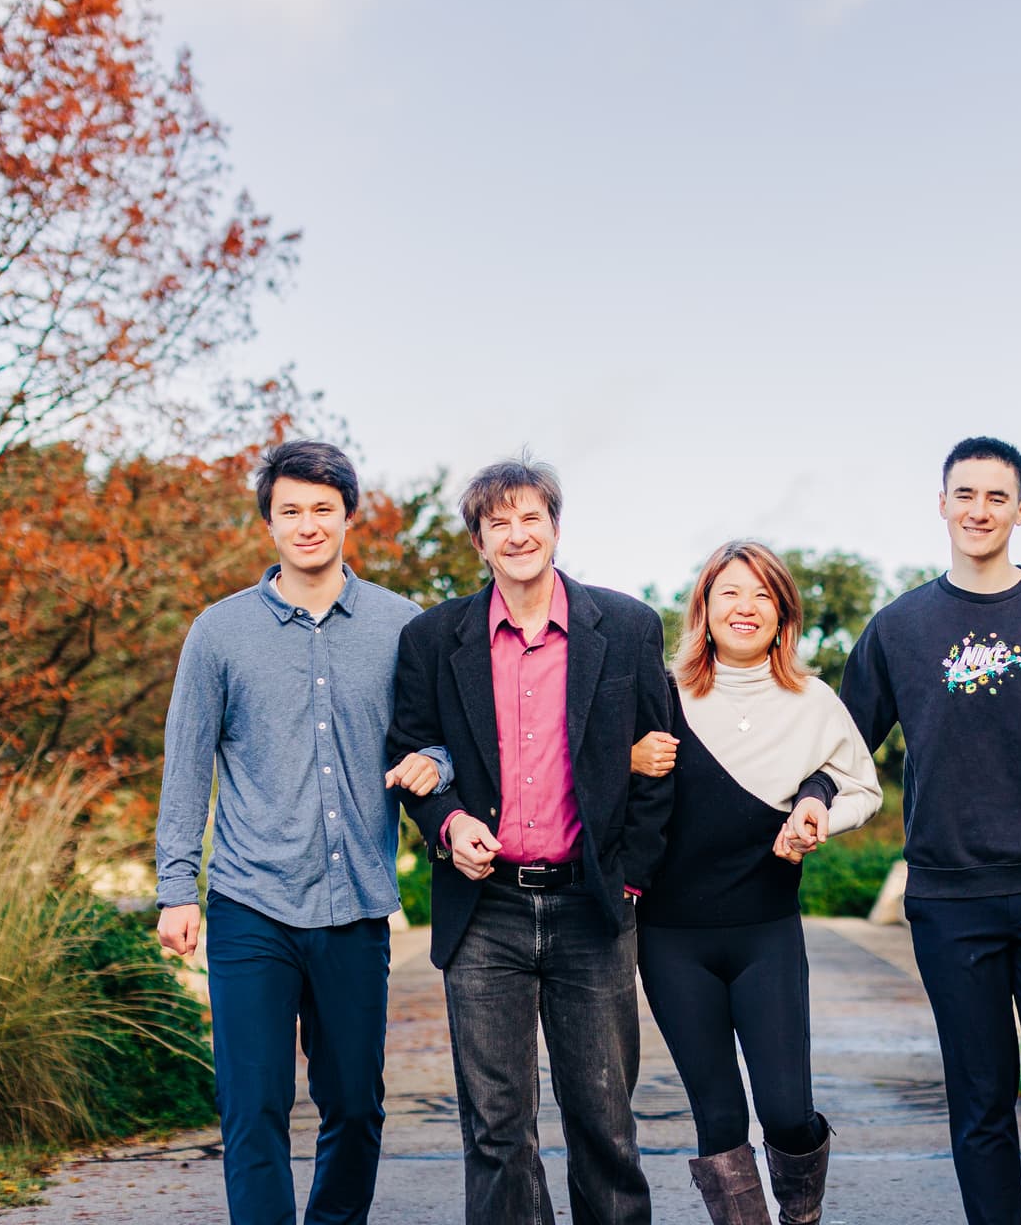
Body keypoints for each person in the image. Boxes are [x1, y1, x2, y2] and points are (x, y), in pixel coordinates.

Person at [837, 436, 1021, 1225]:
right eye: (964, 494)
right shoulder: (899, 628)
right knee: (980, 1101)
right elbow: (840, 744)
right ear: (942, 504)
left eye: (996, 497)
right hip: (951, 900)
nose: (979, 510)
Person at [154, 439, 452, 1225]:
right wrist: (175, 888)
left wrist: (436, 762)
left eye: (323, 509)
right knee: (252, 1104)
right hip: (250, 904)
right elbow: (186, 766)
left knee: (355, 1105)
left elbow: (443, 736)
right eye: (291, 510)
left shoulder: (401, 626)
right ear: (270, 523)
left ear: (350, 516)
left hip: (355, 904)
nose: (308, 524)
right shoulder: (218, 634)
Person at [386, 452, 675, 1225]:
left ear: (555, 527)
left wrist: (633, 879)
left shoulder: (628, 626)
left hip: (593, 904)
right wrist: (448, 823)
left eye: (530, 518)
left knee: (606, 1124)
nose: (516, 534)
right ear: (478, 543)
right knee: (496, 1131)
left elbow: (660, 760)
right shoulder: (432, 639)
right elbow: (410, 753)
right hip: (485, 912)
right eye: (496, 523)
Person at [628, 541, 881, 1225]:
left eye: (763, 595)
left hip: (765, 933)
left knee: (787, 1112)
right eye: (730, 593)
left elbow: (865, 787)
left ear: (783, 616)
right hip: (671, 939)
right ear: (704, 609)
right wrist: (628, 757)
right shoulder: (659, 693)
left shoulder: (813, 701)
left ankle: (801, 1214)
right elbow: (597, 780)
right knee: (719, 1115)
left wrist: (819, 807)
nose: (746, 607)